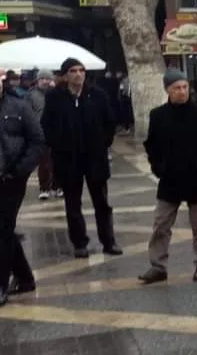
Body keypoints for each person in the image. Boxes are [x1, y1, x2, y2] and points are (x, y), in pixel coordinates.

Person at [140, 69, 197, 284]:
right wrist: (158, 167)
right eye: (177, 88)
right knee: (160, 225)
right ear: (167, 90)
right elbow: (152, 145)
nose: (182, 91)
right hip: (169, 181)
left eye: (185, 87)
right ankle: (158, 266)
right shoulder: (158, 115)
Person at [42, 58, 122, 258]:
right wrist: (58, 145)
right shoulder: (55, 98)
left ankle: (108, 240)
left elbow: (110, 122)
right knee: (73, 203)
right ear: (65, 75)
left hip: (95, 158)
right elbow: (47, 125)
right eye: (73, 71)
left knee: (102, 202)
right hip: (68, 159)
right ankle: (79, 242)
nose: (78, 74)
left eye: (81, 70)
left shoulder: (97, 95)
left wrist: (103, 143)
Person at [0, 71, 45, 304]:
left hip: (10, 179)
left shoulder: (19, 107)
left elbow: (37, 140)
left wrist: (21, 170)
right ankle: (25, 278)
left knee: (3, 227)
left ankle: (1, 284)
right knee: (4, 231)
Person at [25, 72, 57, 200]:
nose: (45, 81)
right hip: (39, 132)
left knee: (57, 161)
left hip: (56, 131)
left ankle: (57, 186)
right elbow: (28, 113)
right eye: (42, 78)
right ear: (38, 80)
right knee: (44, 162)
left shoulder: (56, 94)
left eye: (48, 78)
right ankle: (44, 187)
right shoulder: (31, 94)